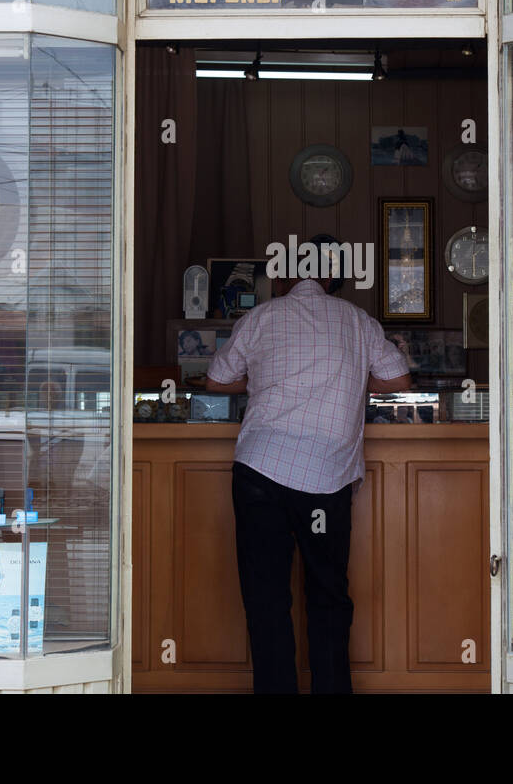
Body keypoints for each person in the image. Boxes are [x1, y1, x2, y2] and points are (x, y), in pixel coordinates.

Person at [205, 238, 411, 694]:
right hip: (325, 476)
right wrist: (355, 380)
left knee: (265, 599)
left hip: (260, 469)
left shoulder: (260, 317)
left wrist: (258, 379)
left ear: (282, 274)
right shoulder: (358, 321)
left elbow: (216, 382)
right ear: (336, 278)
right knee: (328, 596)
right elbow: (399, 379)